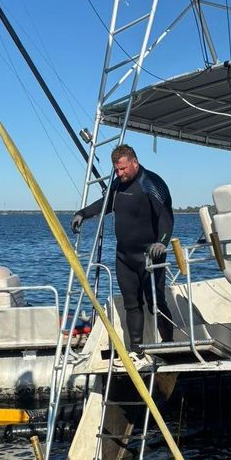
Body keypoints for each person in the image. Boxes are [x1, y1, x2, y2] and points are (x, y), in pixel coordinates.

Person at [72, 145, 174, 364]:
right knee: (131, 304)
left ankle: (169, 349)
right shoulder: (118, 184)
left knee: (156, 303)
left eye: (123, 169)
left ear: (134, 163)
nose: (119, 174)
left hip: (150, 256)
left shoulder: (152, 184)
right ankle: (136, 351)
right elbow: (105, 203)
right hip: (124, 257)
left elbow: (166, 217)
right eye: (117, 170)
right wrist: (83, 214)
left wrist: (162, 242)